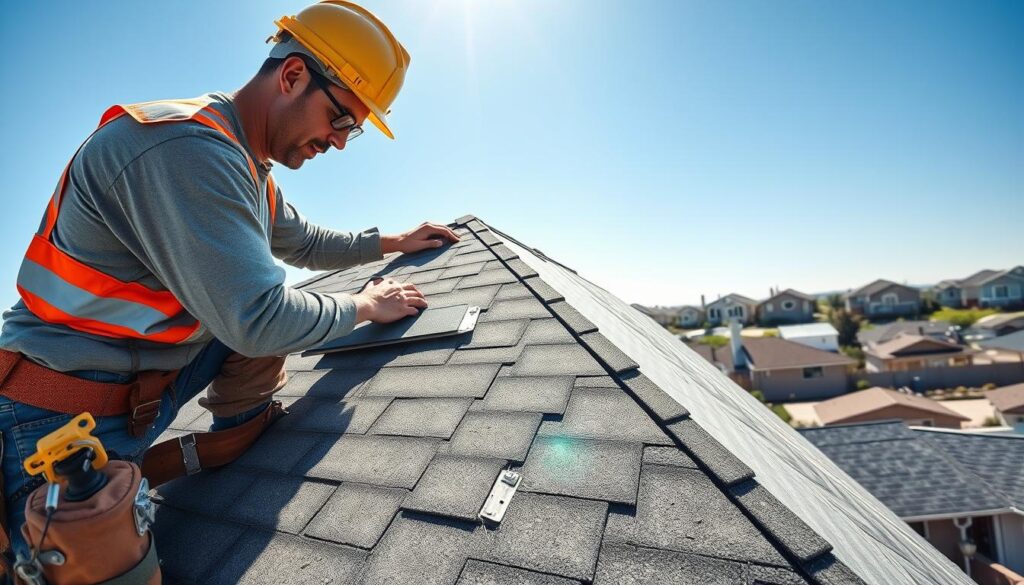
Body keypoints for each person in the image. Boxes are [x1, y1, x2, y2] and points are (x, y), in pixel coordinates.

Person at [0, 0, 456, 562]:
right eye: (341, 119)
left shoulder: (244, 162)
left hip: (144, 385)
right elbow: (259, 319)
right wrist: (363, 304)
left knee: (266, 297)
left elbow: (304, 241)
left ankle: (239, 434)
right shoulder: (186, 150)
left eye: (353, 132)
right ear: (292, 76)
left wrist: (392, 242)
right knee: (100, 567)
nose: (340, 141)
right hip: (56, 418)